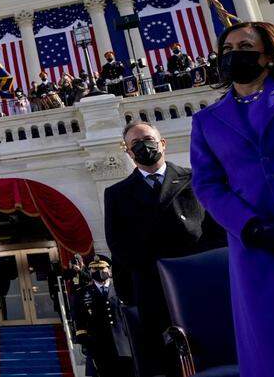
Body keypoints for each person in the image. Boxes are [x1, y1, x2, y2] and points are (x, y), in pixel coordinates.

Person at [189, 21, 274, 377]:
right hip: (257, 251)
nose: (233, 54)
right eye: (227, 49)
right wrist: (252, 227)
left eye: (244, 46)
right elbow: (208, 185)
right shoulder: (207, 120)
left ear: (269, 56)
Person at [104, 120, 225, 376]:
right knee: (165, 362)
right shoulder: (117, 193)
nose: (143, 146)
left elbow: (216, 232)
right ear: (127, 151)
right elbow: (118, 245)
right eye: (135, 143)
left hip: (200, 283)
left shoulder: (194, 179)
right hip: (153, 290)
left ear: (162, 142)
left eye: (147, 138)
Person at [73, 257, 134, 377]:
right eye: (94, 269)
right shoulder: (82, 293)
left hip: (124, 344)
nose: (99, 271)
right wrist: (86, 342)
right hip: (99, 346)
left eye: (102, 268)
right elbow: (79, 319)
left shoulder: (121, 289)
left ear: (109, 270)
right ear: (90, 271)